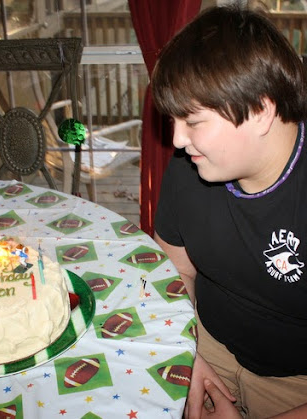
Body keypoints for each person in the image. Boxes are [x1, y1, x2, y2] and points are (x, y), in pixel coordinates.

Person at [151, 5, 307, 419]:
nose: (177, 140)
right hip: (205, 342)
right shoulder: (191, 166)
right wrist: (185, 351)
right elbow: (173, 270)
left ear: (260, 110)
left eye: (192, 121)